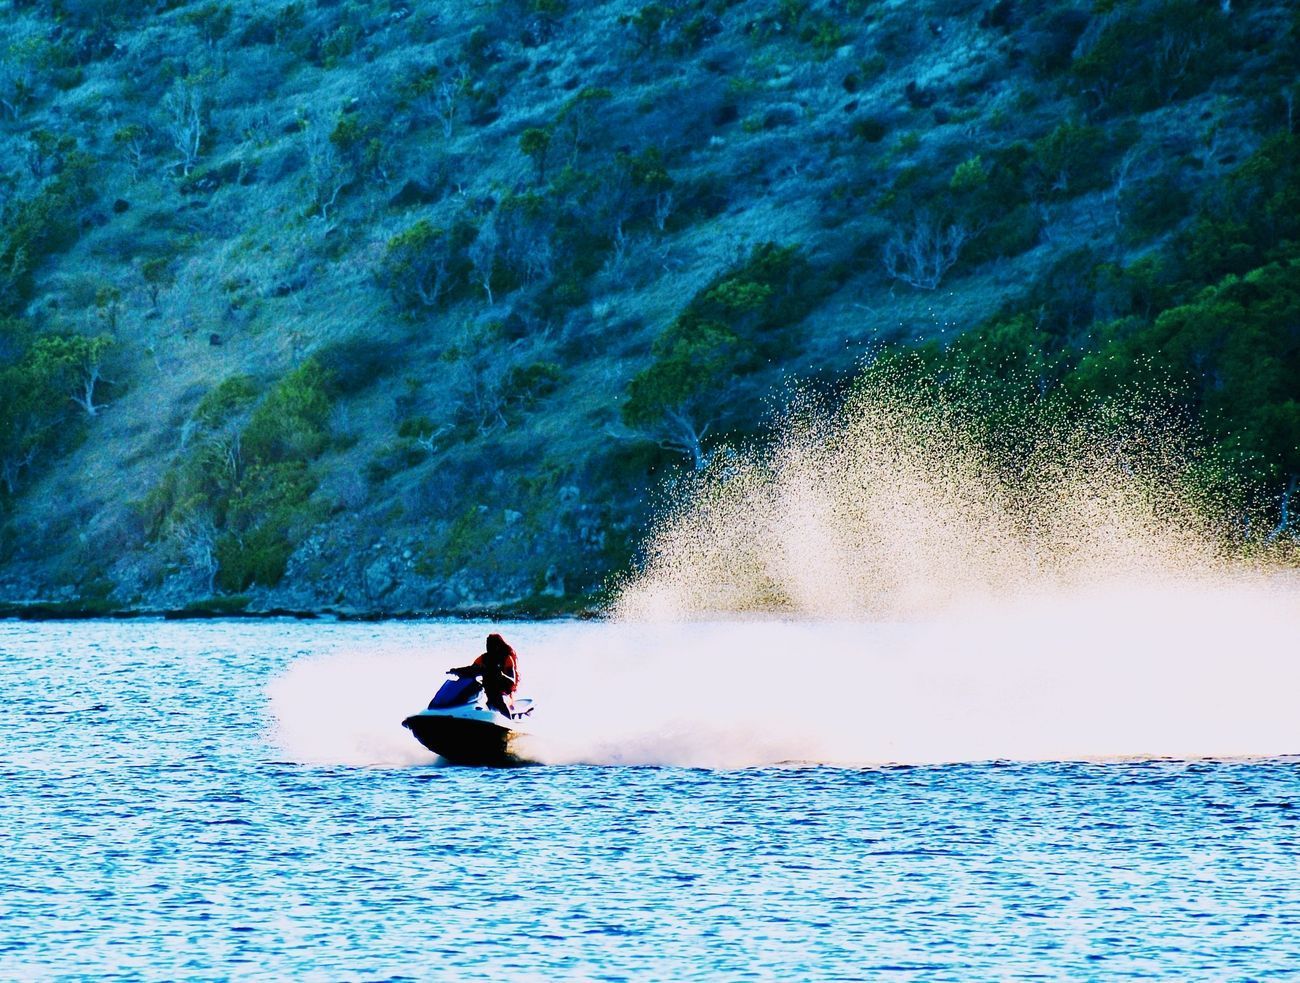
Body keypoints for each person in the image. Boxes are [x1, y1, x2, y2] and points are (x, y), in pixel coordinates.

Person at [449, 633, 520, 718]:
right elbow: (471, 669)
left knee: (496, 700)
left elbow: (512, 681)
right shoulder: (482, 658)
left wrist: (501, 675)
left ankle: (509, 723)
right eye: (487, 644)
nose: (488, 647)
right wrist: (456, 670)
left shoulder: (506, 659)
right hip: (488, 688)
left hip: (503, 689)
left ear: (497, 646)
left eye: (491, 644)